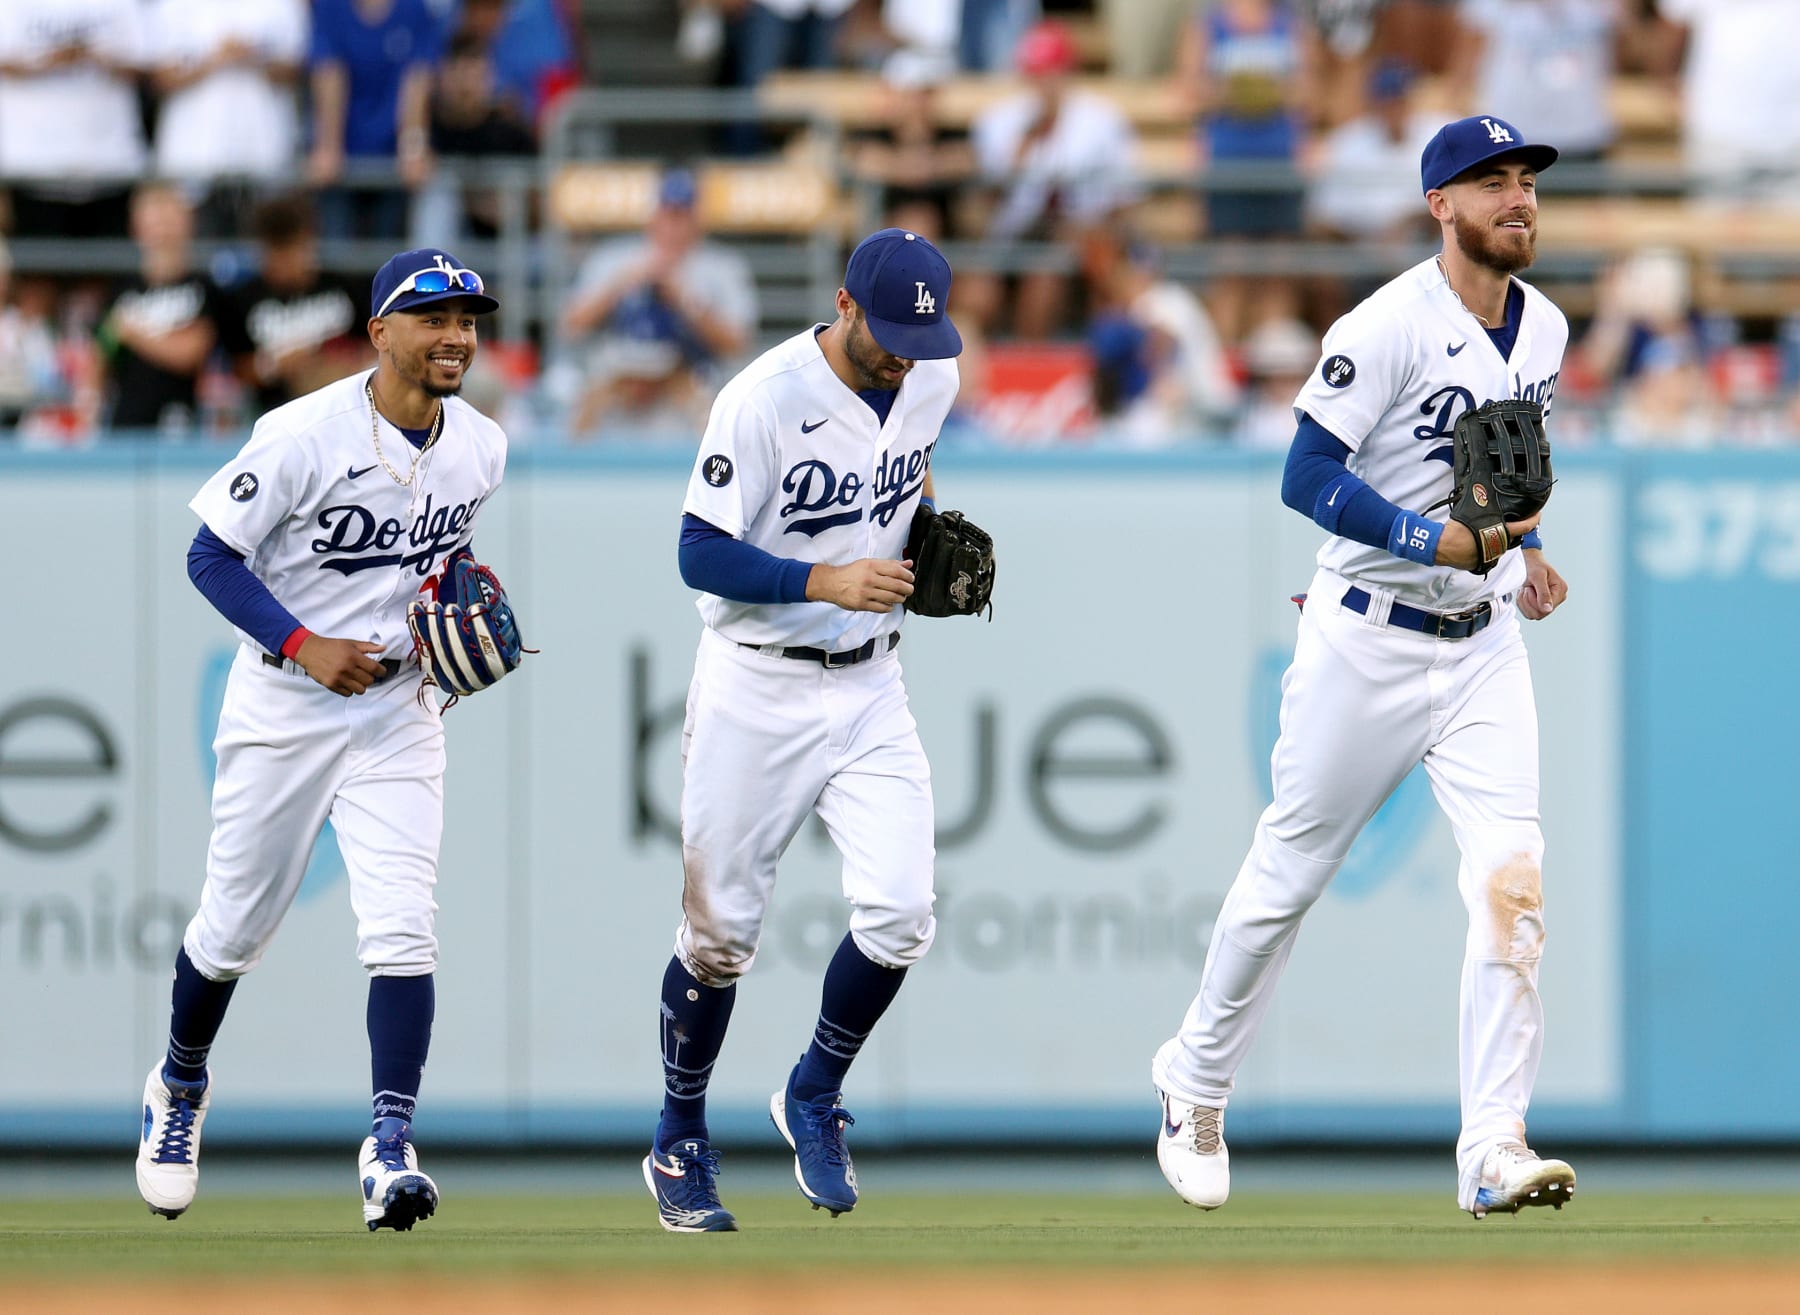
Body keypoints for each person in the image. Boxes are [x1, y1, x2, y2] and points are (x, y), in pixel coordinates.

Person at [1151, 115, 1578, 1221]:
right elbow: (1304, 473)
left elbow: (1504, 473)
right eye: (1491, 183)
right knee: (1289, 873)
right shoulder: (1385, 325)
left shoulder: (1547, 331)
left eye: (1526, 179)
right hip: (1370, 631)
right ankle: (1194, 1077)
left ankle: (1491, 1145)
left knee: (1513, 880)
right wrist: (1428, 540)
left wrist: (1523, 551)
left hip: (1483, 640)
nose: (1517, 198)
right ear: (1441, 205)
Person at [134, 248, 506, 1232]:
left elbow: (440, 553)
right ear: (380, 331)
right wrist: (303, 644)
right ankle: (178, 1086)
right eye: (433, 317)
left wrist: (455, 609)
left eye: (467, 317)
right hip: (283, 702)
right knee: (232, 928)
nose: (456, 335)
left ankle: (390, 1145)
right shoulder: (302, 434)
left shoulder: (482, 447)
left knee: (403, 927)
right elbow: (209, 554)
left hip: (399, 705)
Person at [644, 228, 964, 1233]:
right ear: (844, 303)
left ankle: (813, 1089)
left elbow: (908, 480)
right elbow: (698, 552)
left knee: (904, 911)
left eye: (925, 330)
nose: (909, 349)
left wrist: (930, 532)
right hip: (756, 684)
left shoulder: (930, 376)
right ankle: (678, 1138)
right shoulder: (764, 396)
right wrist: (824, 577)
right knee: (719, 936)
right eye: (892, 329)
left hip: (871, 682)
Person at [558, 168, 758, 438]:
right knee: (575, 403)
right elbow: (571, 324)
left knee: (719, 413)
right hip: (619, 371)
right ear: (653, 214)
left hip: (688, 376)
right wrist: (623, 283)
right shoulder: (615, 257)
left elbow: (739, 343)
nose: (673, 224)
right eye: (668, 212)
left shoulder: (722, 266)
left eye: (682, 215)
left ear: (697, 219)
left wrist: (686, 299)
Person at [219, 192, 373, 416]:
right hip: (274, 415)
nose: (284, 264)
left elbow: (376, 347)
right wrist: (273, 365)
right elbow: (234, 369)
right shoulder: (244, 300)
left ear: (309, 242)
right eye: (275, 254)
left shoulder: (344, 287)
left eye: (291, 251)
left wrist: (342, 363)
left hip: (345, 412)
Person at [97, 183, 228, 435]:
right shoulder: (123, 290)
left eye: (170, 220)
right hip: (125, 422)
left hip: (183, 422)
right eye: (155, 221)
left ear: (188, 224)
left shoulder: (202, 287)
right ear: (137, 228)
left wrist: (134, 334)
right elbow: (100, 354)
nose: (163, 231)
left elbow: (192, 351)